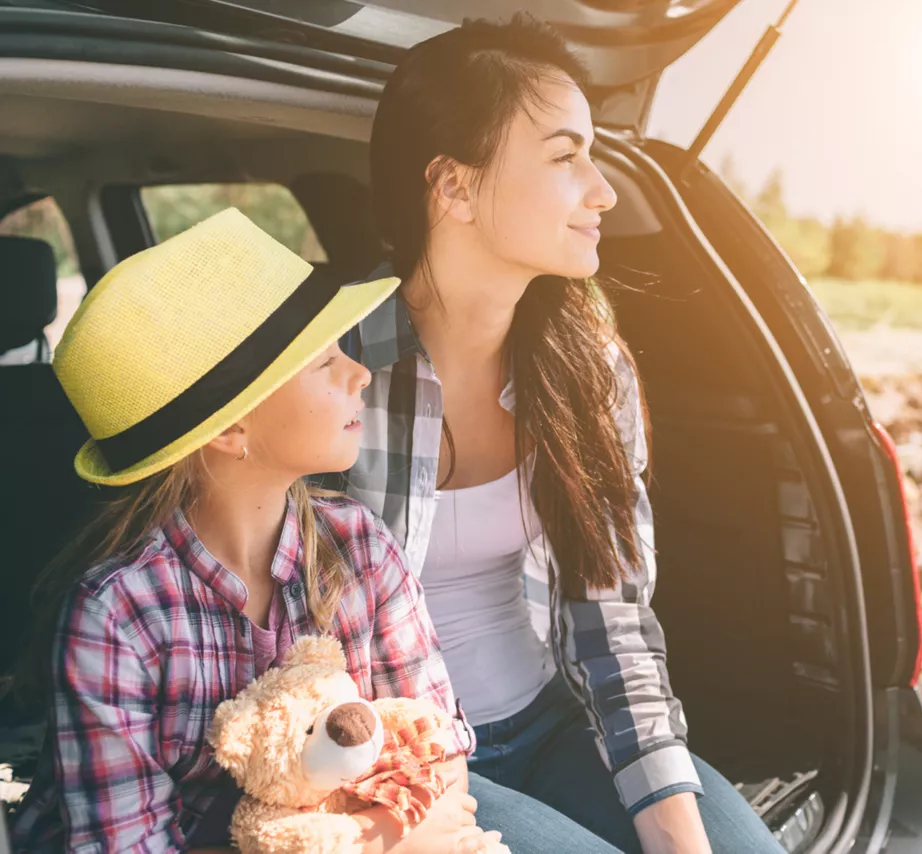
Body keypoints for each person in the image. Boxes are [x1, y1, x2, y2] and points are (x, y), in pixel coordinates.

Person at [323, 14, 787, 854]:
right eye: (566, 155)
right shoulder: (333, 366)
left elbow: (614, 624)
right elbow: (286, 649)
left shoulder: (586, 367)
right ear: (454, 188)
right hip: (404, 759)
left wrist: (679, 832)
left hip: (553, 722)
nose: (602, 189)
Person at [7, 209, 504, 854]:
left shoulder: (360, 547)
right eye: (324, 361)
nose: (360, 373)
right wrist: (373, 841)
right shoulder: (116, 620)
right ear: (230, 430)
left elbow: (436, 753)